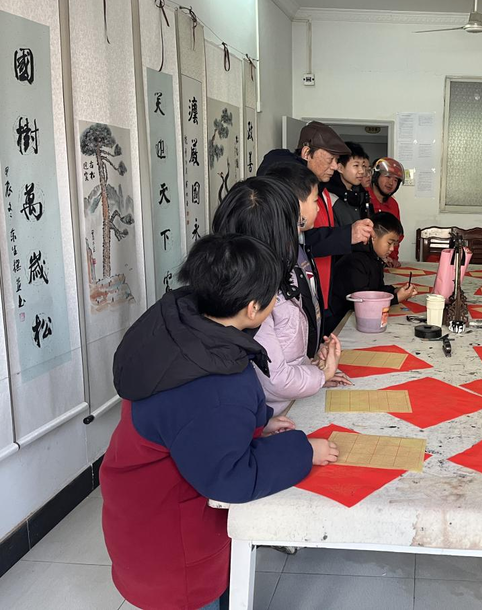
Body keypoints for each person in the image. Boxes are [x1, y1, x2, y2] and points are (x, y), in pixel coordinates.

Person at [100, 233, 339, 610]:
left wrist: (257, 423)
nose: (277, 302)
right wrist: (303, 451)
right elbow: (231, 477)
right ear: (252, 308)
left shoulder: (181, 328)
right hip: (172, 539)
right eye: (274, 296)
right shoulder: (214, 383)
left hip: (140, 508)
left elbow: (193, 425)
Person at [212, 175, 350, 417]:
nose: (298, 234)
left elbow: (287, 352)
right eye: (293, 225)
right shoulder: (250, 299)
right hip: (270, 417)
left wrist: (313, 368)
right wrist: (322, 374)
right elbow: (273, 379)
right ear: (275, 235)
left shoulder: (283, 274)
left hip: (284, 410)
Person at [258, 121, 374, 313]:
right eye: (330, 159)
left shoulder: (323, 190)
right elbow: (298, 241)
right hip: (293, 297)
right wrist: (347, 234)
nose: (335, 166)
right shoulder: (286, 192)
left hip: (319, 293)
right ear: (306, 153)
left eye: (337, 160)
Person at [329, 212, 418, 330]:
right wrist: (396, 298)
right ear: (373, 236)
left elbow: (376, 290)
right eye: (389, 243)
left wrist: (395, 291)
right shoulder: (354, 261)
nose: (392, 249)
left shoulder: (375, 258)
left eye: (394, 244)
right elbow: (363, 301)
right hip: (341, 324)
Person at [368, 157, 405, 266]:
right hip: (364, 261)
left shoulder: (393, 204)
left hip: (386, 263)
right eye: (388, 176)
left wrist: (392, 258)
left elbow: (396, 236)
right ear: (376, 175)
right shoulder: (362, 198)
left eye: (395, 180)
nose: (391, 183)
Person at [327, 141, 372, 226]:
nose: (362, 171)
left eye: (363, 166)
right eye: (356, 165)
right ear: (340, 168)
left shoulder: (361, 194)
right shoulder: (330, 197)